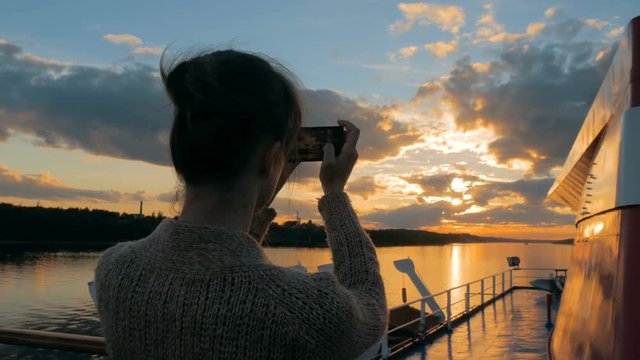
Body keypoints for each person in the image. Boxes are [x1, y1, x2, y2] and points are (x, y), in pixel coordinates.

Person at [94, 49, 388, 360]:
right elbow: (369, 305)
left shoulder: (116, 270)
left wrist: (262, 183)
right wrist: (334, 195)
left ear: (180, 150)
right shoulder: (301, 308)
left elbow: (218, 259)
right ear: (271, 157)